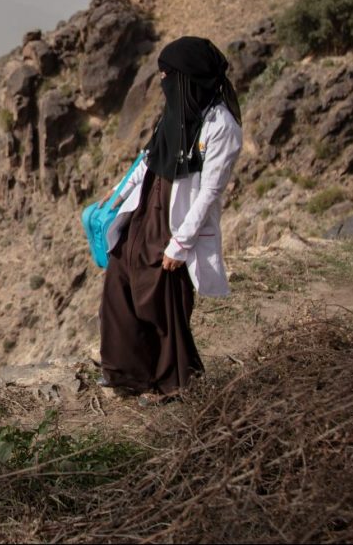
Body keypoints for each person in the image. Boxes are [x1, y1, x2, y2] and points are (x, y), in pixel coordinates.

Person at [97, 36, 243, 401]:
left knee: (162, 296)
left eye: (167, 74)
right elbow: (148, 158)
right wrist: (117, 194)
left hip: (174, 219)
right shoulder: (177, 113)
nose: (162, 80)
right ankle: (126, 372)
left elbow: (210, 191)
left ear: (187, 76)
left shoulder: (221, 126)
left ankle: (173, 383)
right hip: (148, 205)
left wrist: (180, 244)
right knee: (120, 278)